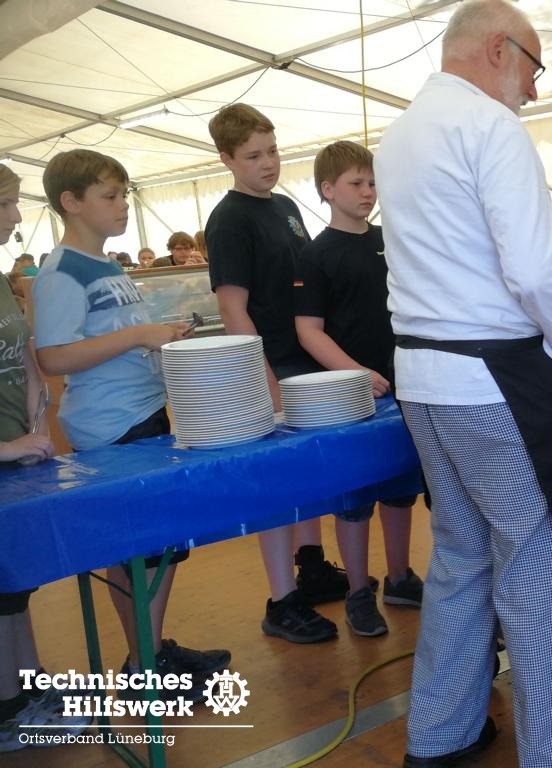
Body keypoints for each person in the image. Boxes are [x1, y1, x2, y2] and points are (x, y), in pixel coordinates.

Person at [376, 2, 552, 765]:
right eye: (533, 67)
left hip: (424, 379)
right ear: (498, 48)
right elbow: (530, 269)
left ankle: (440, 735)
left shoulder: (402, 134)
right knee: (543, 558)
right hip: (495, 384)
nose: (534, 89)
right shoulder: (491, 127)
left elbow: (468, 265)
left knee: (461, 554)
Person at [29, 149, 231, 704]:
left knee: (156, 547)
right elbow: (54, 356)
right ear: (71, 203)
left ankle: (150, 650)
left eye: (123, 195)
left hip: (141, 412)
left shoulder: (107, 264)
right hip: (112, 424)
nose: (122, 206)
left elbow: (111, 337)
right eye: (110, 196)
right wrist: (140, 336)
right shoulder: (62, 271)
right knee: (140, 551)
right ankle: (145, 667)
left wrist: (158, 340)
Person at [205, 103, 350, 645]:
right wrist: (263, 379)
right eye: (253, 156)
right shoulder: (229, 220)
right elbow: (233, 309)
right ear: (227, 159)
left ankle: (310, 565)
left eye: (272, 151)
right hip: (273, 364)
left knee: (309, 474)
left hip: (306, 358)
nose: (267, 163)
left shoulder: (285, 206)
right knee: (276, 484)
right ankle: (281, 599)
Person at [293, 140, 425, 638]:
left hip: (405, 384)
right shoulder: (315, 255)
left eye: (372, 183)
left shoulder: (390, 241)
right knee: (354, 500)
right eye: (356, 183)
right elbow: (309, 330)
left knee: (400, 489)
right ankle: (356, 592)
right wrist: (354, 374)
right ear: (328, 189)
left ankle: (400, 577)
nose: (368, 192)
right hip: (352, 395)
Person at [0, 163, 90, 754]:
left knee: (14, 582)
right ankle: (9, 712)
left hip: (16, 452)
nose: (15, 216)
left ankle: (28, 683)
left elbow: (25, 357)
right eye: (5, 204)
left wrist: (35, 420)